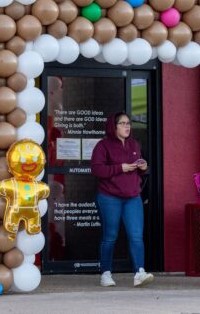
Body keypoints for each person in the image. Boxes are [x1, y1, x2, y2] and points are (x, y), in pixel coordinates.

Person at [90, 112, 152, 288]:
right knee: (110, 236)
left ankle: (139, 272)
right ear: (113, 126)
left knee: (136, 235)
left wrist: (144, 167)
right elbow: (96, 169)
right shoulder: (103, 145)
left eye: (128, 123)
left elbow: (140, 170)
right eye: (122, 123)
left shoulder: (134, 144)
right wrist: (120, 168)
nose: (127, 126)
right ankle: (106, 273)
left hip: (133, 197)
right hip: (109, 197)